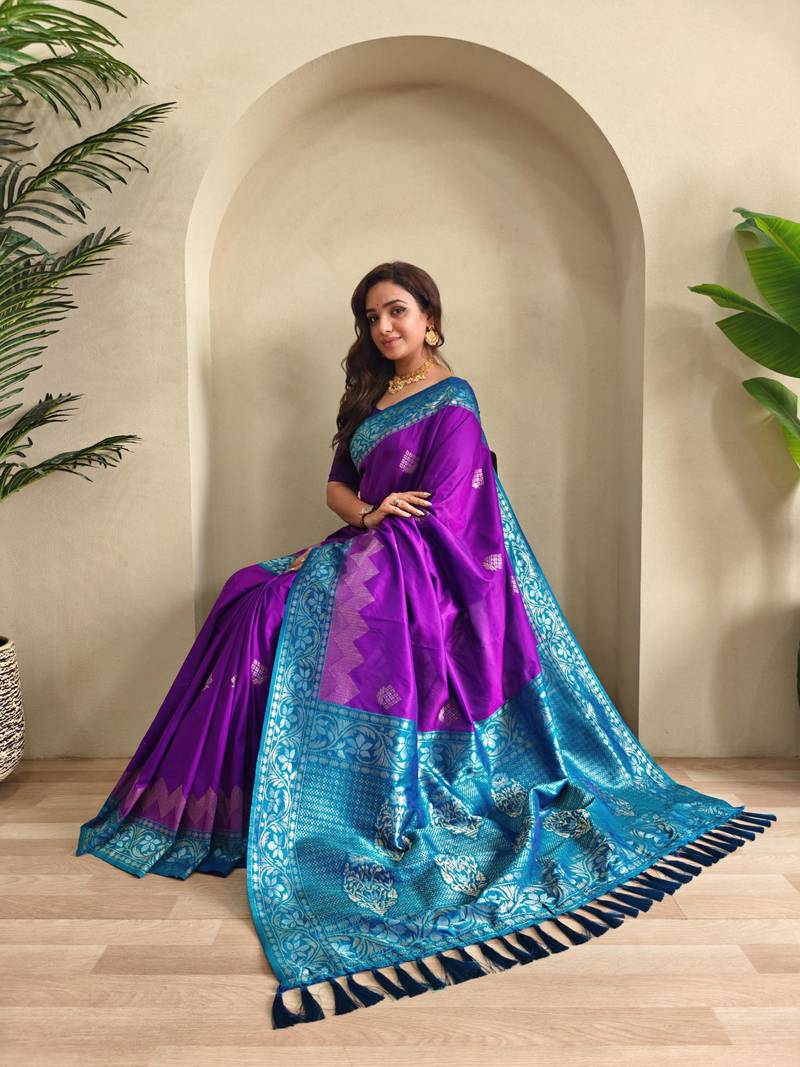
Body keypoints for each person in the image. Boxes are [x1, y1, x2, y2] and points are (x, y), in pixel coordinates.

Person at [76, 261, 776, 1029]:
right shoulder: (368, 397)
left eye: (397, 311)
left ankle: (301, 801)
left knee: (273, 604)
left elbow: (449, 518)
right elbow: (336, 489)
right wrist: (369, 515)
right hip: (369, 546)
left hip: (420, 576)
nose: (384, 327)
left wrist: (381, 534)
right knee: (245, 592)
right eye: (372, 316)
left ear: (429, 316)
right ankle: (230, 808)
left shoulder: (454, 401)